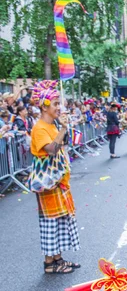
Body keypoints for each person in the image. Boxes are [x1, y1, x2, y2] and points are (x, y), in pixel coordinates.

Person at [30, 80, 80, 274]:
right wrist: (64, 129)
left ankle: (57, 259)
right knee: (50, 222)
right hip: (48, 184)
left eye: (60, 103)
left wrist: (63, 128)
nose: (60, 107)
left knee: (60, 220)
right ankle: (49, 264)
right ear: (44, 106)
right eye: (56, 104)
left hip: (59, 182)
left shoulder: (52, 125)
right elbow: (51, 150)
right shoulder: (40, 128)